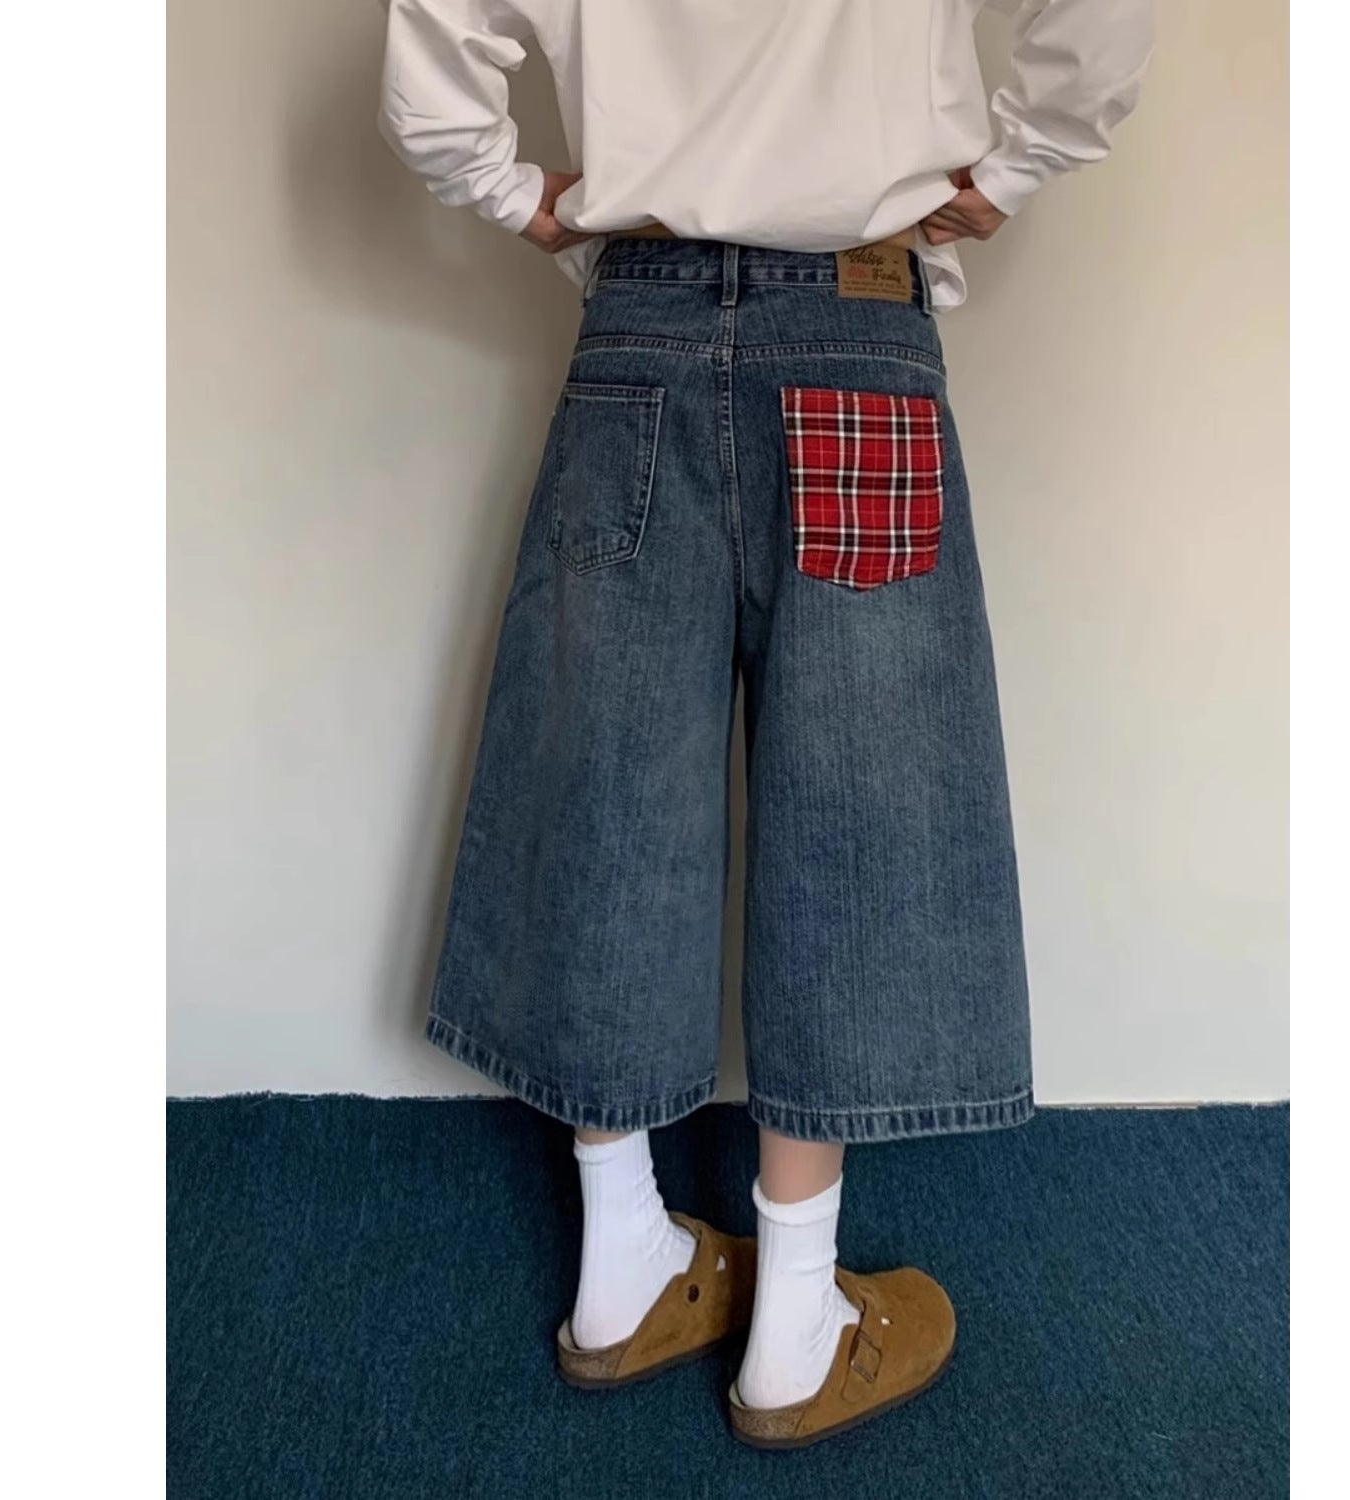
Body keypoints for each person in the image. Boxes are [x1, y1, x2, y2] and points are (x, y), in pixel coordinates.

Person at [378, 0, 1151, 1449]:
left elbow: (432, 78)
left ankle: (622, 1264)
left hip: (638, 339)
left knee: (610, 787)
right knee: (857, 808)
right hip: (856, 333)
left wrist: (517, 194)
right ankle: (793, 1323)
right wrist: (1014, 167)